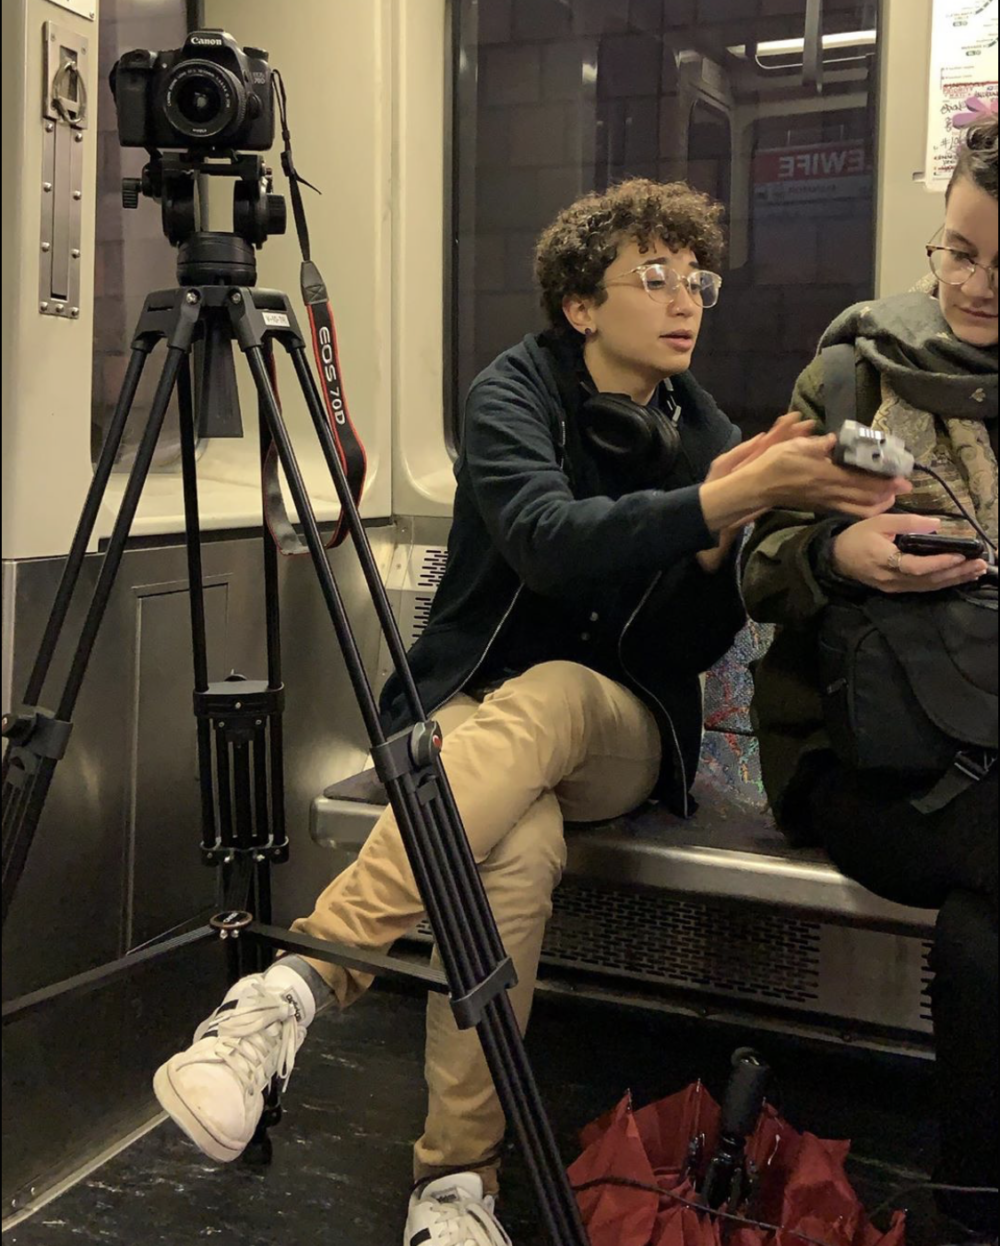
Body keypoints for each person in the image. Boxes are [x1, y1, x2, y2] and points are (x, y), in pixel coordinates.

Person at [154, 178, 906, 1244]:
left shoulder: (707, 432)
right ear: (580, 305)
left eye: (697, 279)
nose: (684, 298)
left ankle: (294, 985)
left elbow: (691, 646)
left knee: (551, 700)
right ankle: (455, 1187)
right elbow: (546, 538)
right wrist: (716, 502)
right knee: (514, 847)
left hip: (623, 727)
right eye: (653, 277)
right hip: (472, 710)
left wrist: (715, 537)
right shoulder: (512, 393)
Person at [742, 116, 998, 1239]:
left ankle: (971, 1205)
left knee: (985, 933)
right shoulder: (854, 370)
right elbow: (753, 558)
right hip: (858, 760)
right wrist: (832, 553)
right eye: (959, 251)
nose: (976, 286)